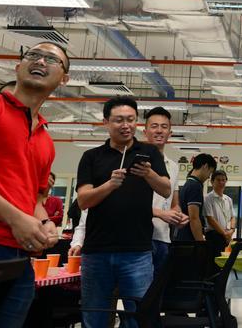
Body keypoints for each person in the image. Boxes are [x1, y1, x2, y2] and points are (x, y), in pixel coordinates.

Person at [0, 42, 69, 327]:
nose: (40, 61)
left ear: (63, 79)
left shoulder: (45, 140)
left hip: (19, 256)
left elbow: (35, 200)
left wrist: (44, 223)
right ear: (18, 67)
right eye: (33, 55)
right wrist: (16, 219)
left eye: (51, 59)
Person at [76, 96, 171, 328]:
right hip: (97, 252)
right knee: (94, 315)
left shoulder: (149, 152)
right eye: (119, 120)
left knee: (139, 317)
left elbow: (166, 189)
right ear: (106, 122)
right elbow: (83, 201)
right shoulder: (92, 157)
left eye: (131, 119)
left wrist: (148, 173)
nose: (126, 125)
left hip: (137, 252)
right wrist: (109, 185)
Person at [143, 107, 188, 273]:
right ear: (145, 132)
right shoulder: (136, 162)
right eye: (154, 126)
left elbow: (174, 204)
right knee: (139, 288)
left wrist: (178, 215)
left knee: (158, 288)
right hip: (139, 238)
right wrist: (161, 213)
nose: (159, 131)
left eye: (164, 127)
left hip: (163, 239)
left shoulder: (173, 167)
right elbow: (126, 203)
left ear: (170, 132)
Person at [175, 153, 216, 242]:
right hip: (189, 238)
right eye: (210, 172)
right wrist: (200, 243)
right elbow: (194, 217)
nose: (209, 177)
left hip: (183, 235)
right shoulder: (195, 186)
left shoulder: (188, 184)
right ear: (205, 166)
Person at [204, 170, 236, 257]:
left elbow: (233, 217)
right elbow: (210, 219)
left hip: (227, 235)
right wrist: (225, 234)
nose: (221, 182)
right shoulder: (207, 198)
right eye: (218, 180)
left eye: (223, 180)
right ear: (212, 182)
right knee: (214, 261)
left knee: (226, 261)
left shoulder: (228, 199)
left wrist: (232, 230)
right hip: (214, 236)